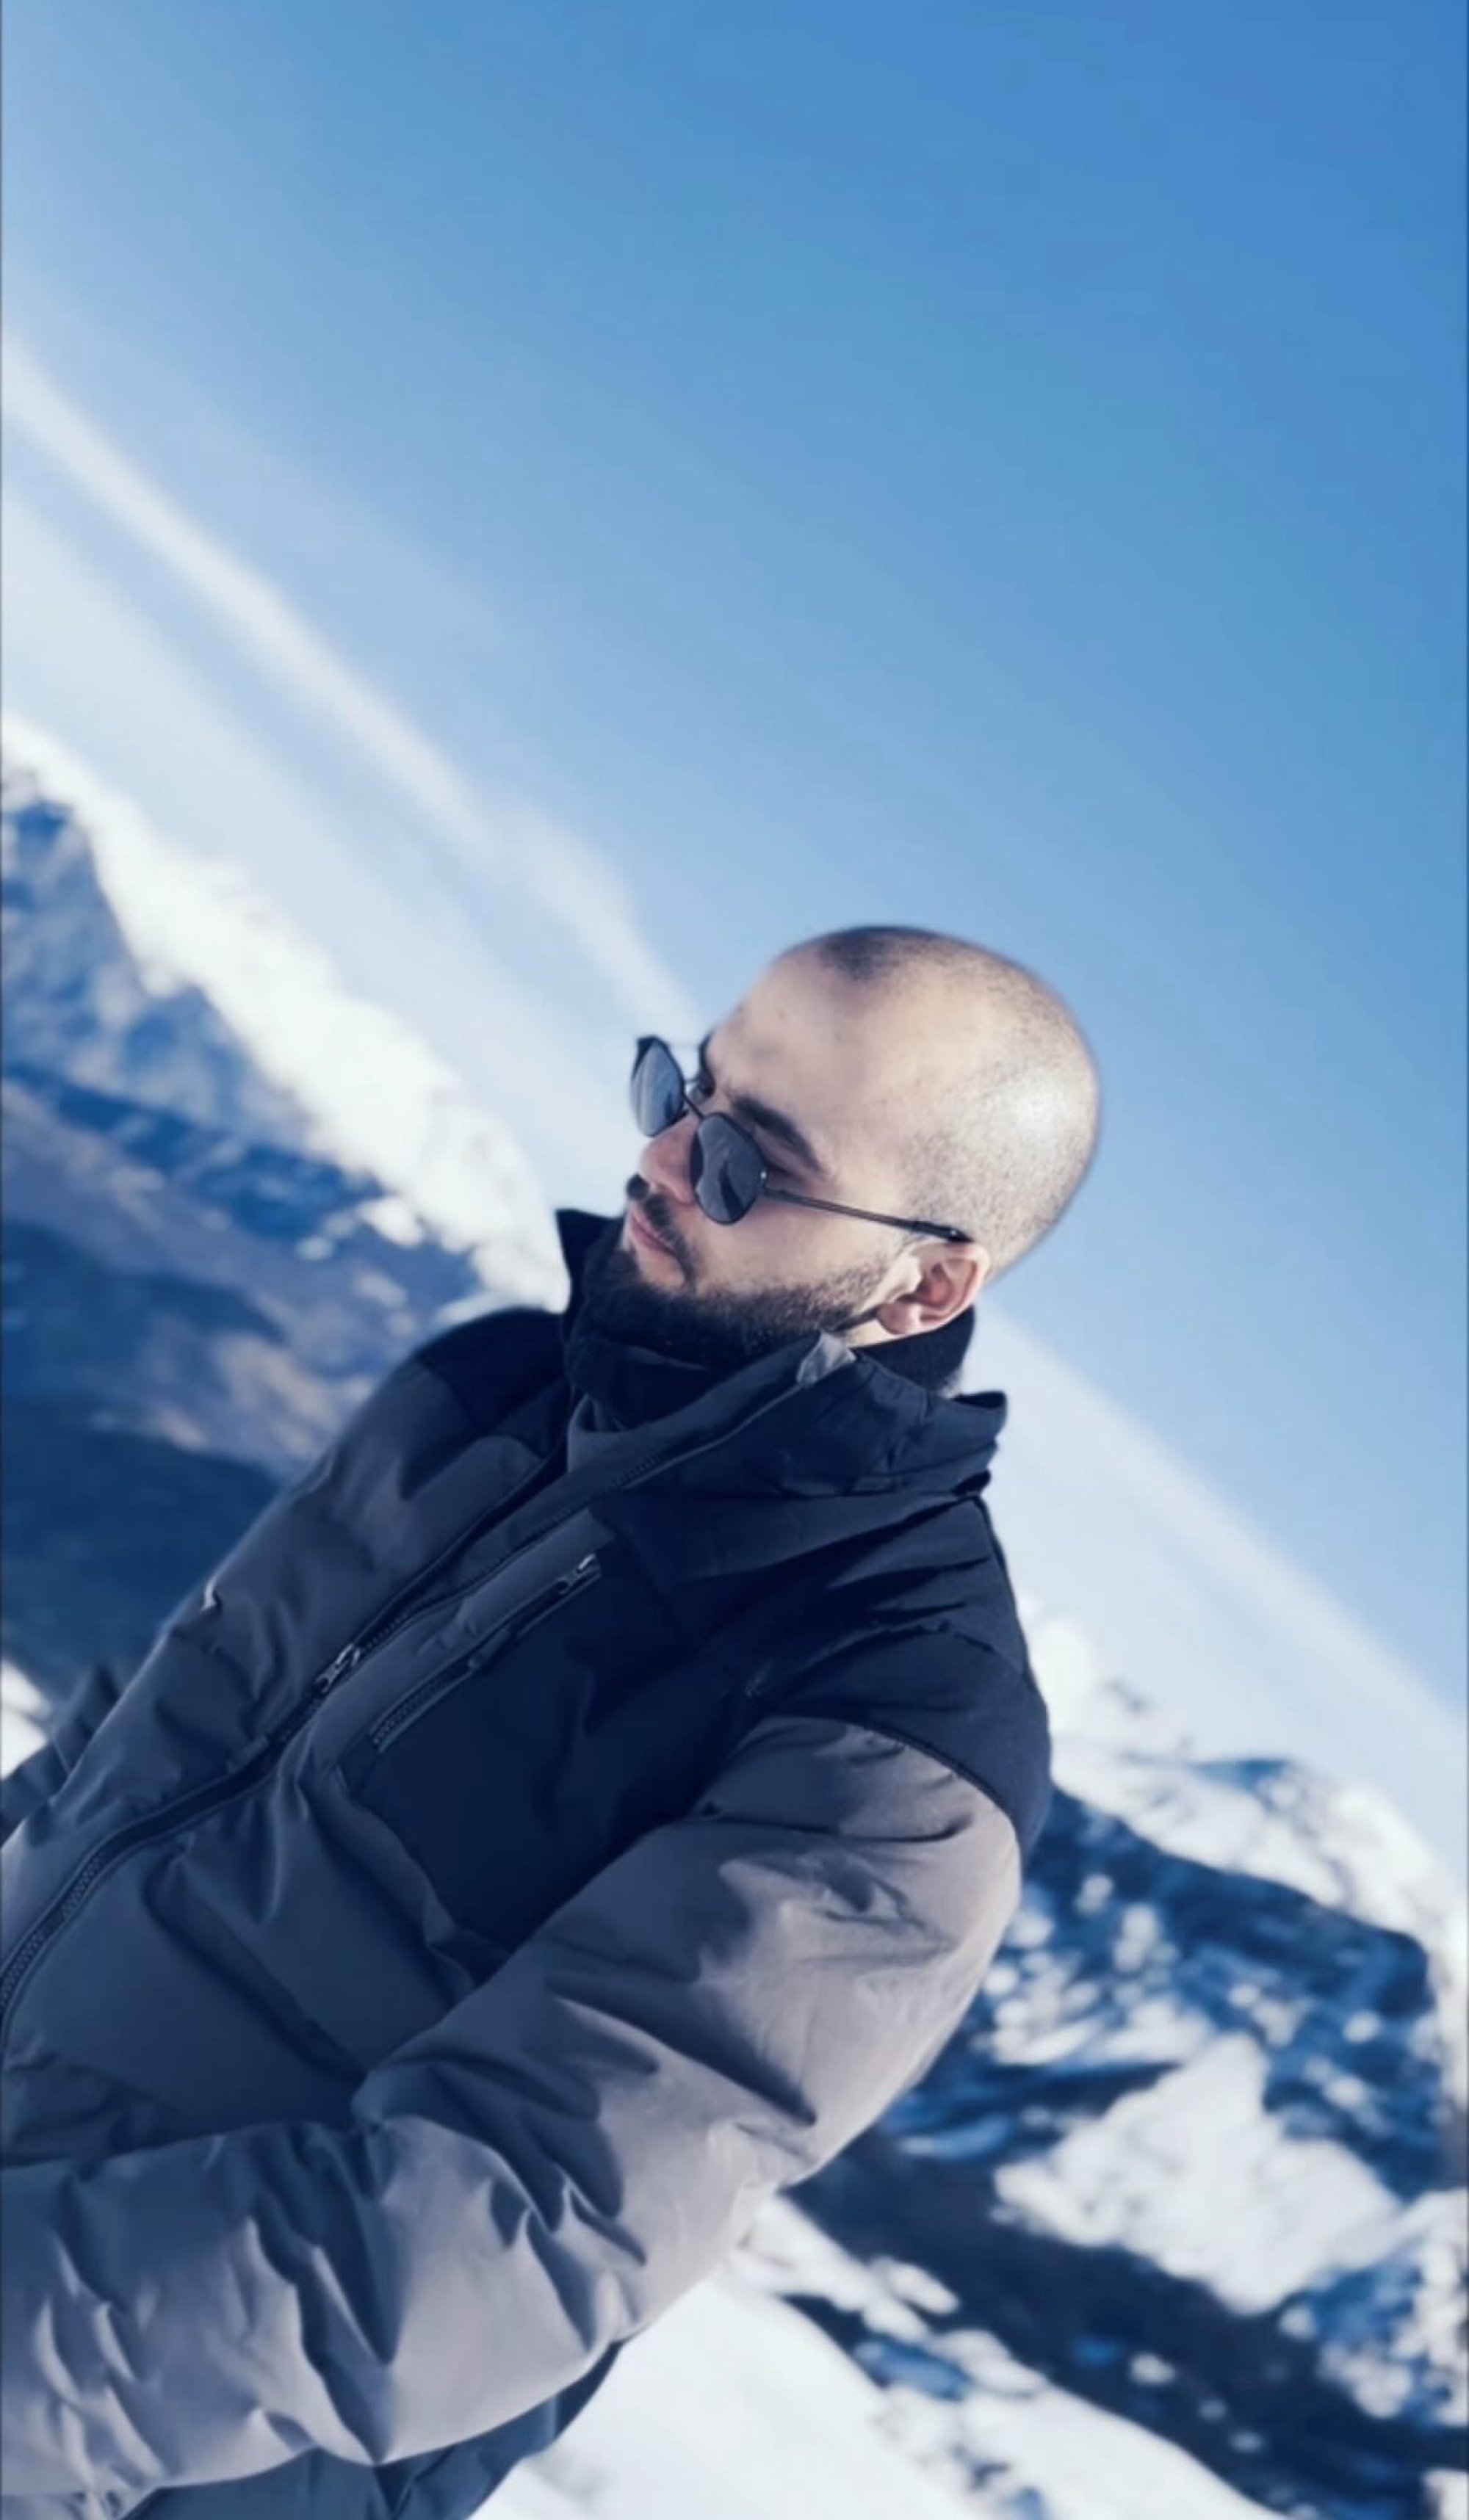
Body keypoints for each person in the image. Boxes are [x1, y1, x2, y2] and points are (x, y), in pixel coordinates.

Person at [0, 924, 1102, 2518]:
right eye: (683, 1089)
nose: (662, 1160)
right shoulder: (492, 1393)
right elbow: (130, 1756)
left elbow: (487, 2237)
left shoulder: (898, 1731)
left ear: (925, 1284)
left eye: (747, 1164)